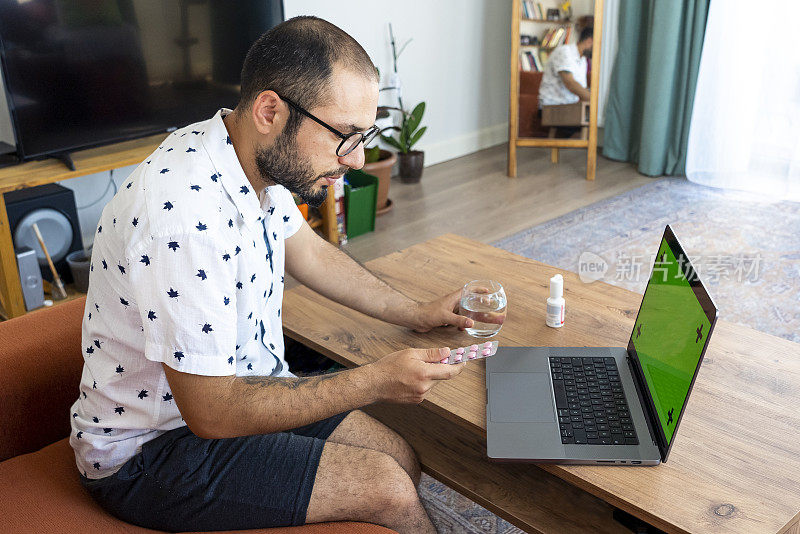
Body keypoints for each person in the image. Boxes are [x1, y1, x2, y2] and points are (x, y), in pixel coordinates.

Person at [69, 16, 479, 534]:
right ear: (270, 110)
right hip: (150, 453)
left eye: (364, 135)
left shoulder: (249, 154)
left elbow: (306, 251)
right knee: (386, 487)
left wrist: (417, 312)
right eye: (345, 137)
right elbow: (212, 414)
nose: (355, 159)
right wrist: (375, 381)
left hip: (250, 385)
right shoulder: (180, 217)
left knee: (400, 455)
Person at [538, 26, 593, 137]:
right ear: (589, 41)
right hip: (552, 108)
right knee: (598, 116)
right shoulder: (564, 52)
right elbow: (570, 84)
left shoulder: (582, 60)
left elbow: (580, 90)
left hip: (569, 106)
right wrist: (595, 101)